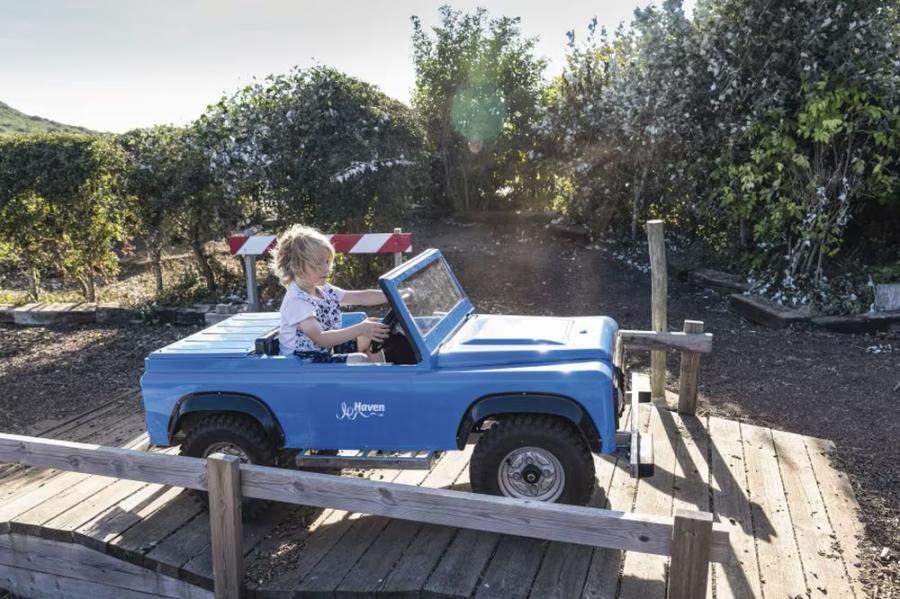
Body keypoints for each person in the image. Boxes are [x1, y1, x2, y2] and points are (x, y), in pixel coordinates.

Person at [271, 224, 390, 363]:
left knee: (370, 336)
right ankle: (377, 382)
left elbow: (361, 296)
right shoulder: (297, 301)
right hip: (302, 363)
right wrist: (360, 329)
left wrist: (393, 295)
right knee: (359, 360)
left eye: (327, 262)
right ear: (296, 267)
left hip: (323, 352)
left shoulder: (323, 290)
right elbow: (321, 338)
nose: (326, 269)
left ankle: (384, 377)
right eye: (318, 263)